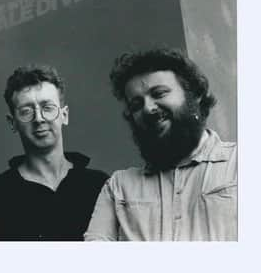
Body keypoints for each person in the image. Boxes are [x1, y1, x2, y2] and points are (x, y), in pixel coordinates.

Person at [85, 48, 237, 241]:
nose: (148, 109)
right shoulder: (119, 187)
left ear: (195, 95)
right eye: (136, 105)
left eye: (159, 93)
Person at [0, 64, 108, 241]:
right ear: (12, 123)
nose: (39, 118)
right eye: (26, 111)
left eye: (47, 108)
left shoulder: (101, 186)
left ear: (64, 115)